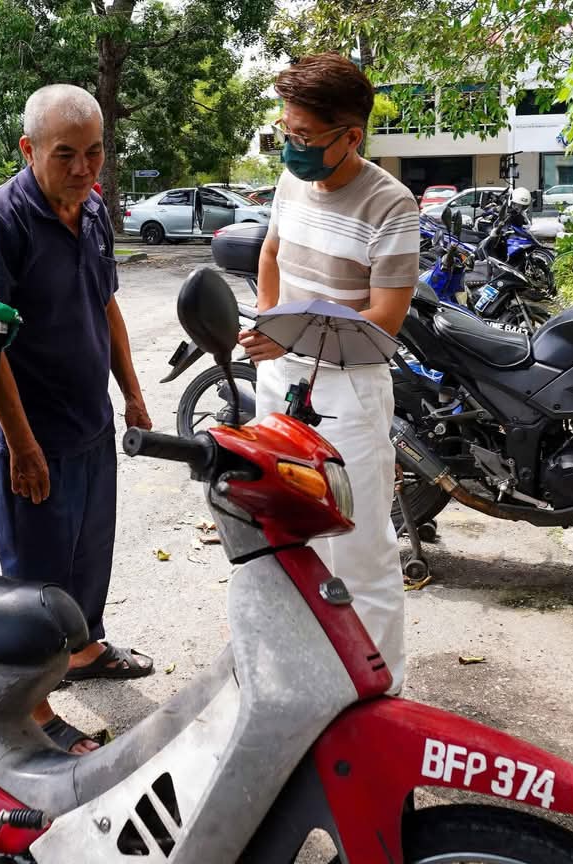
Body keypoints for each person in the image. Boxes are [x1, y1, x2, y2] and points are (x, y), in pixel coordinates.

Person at [0, 84, 155, 755]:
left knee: (89, 555)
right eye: (65, 155)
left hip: (90, 421)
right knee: (36, 578)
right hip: (32, 435)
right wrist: (21, 445)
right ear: (28, 149)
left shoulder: (91, 208)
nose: (83, 167)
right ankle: (31, 710)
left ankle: (85, 651)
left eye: (94, 152)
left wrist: (131, 392)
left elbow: (106, 308)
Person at [238, 54, 419, 694]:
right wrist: (267, 322)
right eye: (286, 133)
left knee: (359, 547)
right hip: (279, 377)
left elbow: (384, 321)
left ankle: (379, 694)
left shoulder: (391, 204)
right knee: (282, 532)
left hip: (350, 387)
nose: (293, 149)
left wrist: (296, 332)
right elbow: (272, 253)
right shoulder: (290, 186)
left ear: (351, 136)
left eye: (306, 138)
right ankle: (301, 678)